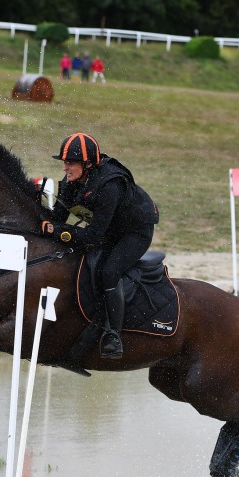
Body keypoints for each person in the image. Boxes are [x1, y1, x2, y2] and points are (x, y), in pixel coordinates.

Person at [43, 133, 159, 359]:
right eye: (65, 163)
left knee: (109, 271)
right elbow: (57, 216)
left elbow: (93, 236)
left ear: (87, 164)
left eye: (70, 163)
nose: (65, 168)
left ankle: (113, 335)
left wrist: (57, 231)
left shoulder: (110, 185)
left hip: (135, 231)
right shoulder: (72, 181)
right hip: (110, 229)